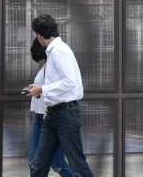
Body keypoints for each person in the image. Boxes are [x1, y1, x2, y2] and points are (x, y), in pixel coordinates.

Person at [27, 14, 95, 177]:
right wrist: (40, 88)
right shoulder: (55, 51)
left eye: (36, 34)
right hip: (53, 115)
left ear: (40, 34)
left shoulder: (59, 51)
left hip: (66, 115)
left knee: (77, 164)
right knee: (38, 164)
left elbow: (69, 81)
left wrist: (42, 90)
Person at [27, 41, 74, 177]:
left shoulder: (53, 65)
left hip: (50, 118)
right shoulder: (45, 67)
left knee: (55, 163)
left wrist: (40, 89)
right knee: (43, 162)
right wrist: (35, 87)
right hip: (41, 117)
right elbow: (45, 87)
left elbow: (60, 88)